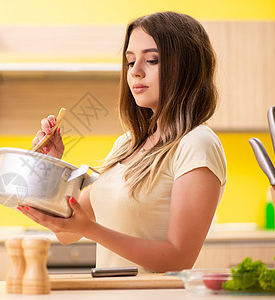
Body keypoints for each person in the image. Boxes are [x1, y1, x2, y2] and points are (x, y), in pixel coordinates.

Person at [18, 11, 227, 273]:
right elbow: (67, 232)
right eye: (130, 62)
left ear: (186, 67)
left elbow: (178, 258)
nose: (136, 72)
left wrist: (90, 230)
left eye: (151, 60)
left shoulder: (197, 143)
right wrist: (51, 164)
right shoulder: (126, 144)